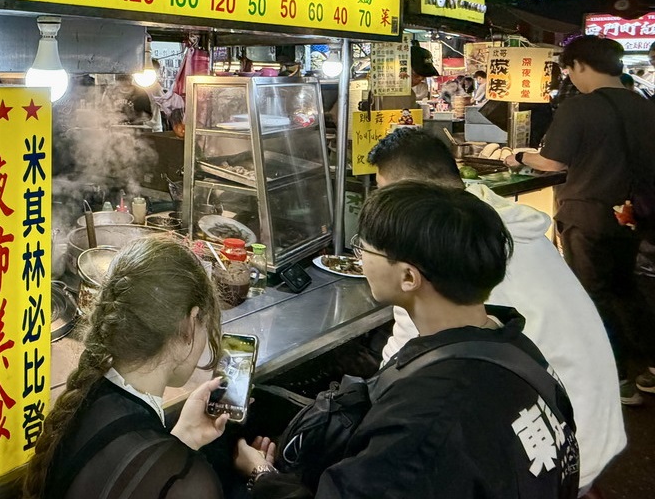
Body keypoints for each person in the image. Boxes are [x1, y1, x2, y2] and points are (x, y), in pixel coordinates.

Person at [247, 182, 579, 499]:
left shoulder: (426, 417)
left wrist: (261, 474)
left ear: (408, 276)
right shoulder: (515, 347)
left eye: (365, 247)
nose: (359, 257)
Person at [369, 128, 625, 492]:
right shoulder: (491, 220)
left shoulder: (436, 249)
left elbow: (401, 368)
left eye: (384, 194)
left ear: (408, 194)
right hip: (589, 419)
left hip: (555, 452)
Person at [24, 234, 264, 499]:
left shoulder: (82, 403)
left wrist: (185, 437)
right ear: (189, 324)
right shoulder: (188, 485)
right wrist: (262, 475)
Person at [505, 36, 655, 403]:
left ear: (581, 66)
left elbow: (553, 163)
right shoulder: (643, 104)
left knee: (593, 296)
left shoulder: (580, 109)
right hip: (632, 215)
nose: (570, 78)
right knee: (626, 289)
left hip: (586, 215)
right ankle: (651, 368)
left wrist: (520, 158)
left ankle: (615, 379)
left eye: (569, 70)